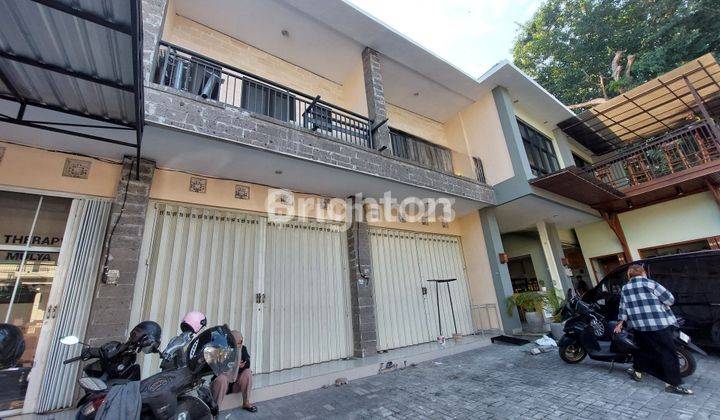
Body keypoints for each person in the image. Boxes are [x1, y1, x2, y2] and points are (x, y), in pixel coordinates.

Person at [613, 264, 692, 395]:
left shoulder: (625, 288)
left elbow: (623, 308)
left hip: (639, 326)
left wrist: (620, 323)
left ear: (629, 276)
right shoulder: (651, 283)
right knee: (668, 353)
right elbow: (670, 300)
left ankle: (637, 372)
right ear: (643, 272)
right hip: (659, 325)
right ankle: (672, 384)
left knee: (642, 350)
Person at [210, 330, 256, 412]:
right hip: (223, 385)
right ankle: (214, 410)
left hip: (235, 385)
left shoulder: (243, 349)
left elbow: (247, 363)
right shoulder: (223, 350)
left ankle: (246, 402)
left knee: (248, 372)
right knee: (222, 379)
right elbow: (220, 368)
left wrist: (235, 366)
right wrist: (236, 365)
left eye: (241, 340)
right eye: (238, 341)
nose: (241, 343)